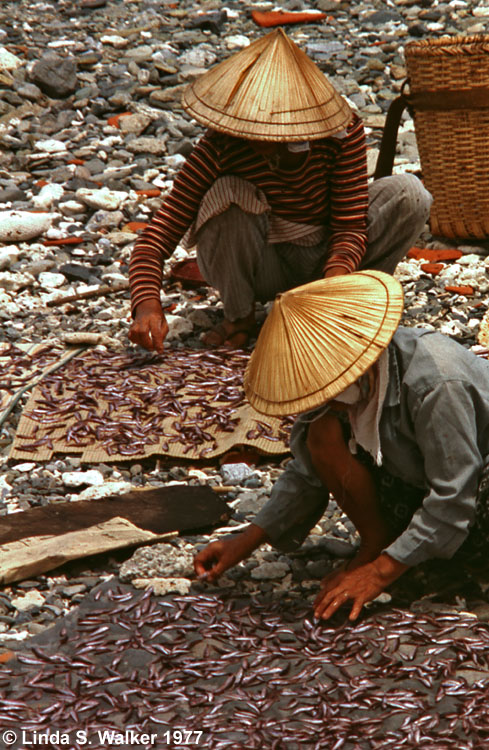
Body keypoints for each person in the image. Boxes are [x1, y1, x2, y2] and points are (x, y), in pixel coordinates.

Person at [194, 271, 489, 621]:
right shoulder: (343, 388)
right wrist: (246, 540)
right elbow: (307, 472)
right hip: (422, 478)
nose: (322, 397)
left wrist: (379, 573)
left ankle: (411, 558)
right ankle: (379, 543)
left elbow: (454, 493)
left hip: (476, 488)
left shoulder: (435, 384)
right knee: (320, 432)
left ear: (356, 363)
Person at [128, 29, 432, 352]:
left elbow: (349, 228)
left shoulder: (340, 133)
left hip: (322, 259)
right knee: (227, 194)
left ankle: (346, 304)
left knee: (410, 195)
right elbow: (157, 237)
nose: (264, 142)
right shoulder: (222, 145)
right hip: (262, 265)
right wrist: (146, 305)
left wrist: (330, 288)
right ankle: (241, 317)